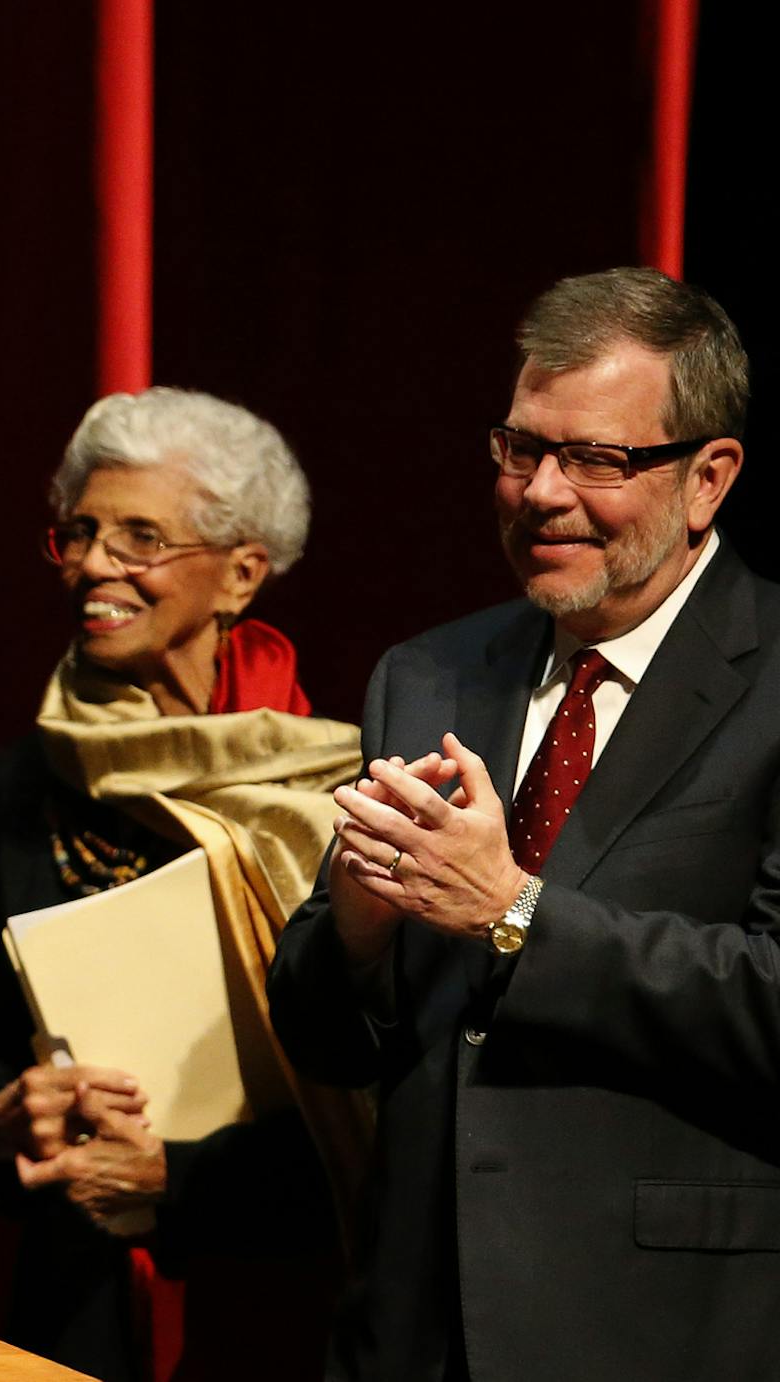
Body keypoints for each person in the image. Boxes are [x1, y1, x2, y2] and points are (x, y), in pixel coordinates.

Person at [269, 267, 775, 1381]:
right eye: (519, 448)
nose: (541, 492)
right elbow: (324, 1035)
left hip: (666, 1327)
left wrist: (513, 913)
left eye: (596, 459)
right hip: (412, 1323)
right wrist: (355, 925)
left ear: (708, 478)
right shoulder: (429, 674)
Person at [0, 388, 366, 1379]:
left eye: (140, 538)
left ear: (240, 574)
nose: (94, 564)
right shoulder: (25, 779)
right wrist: (10, 1116)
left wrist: (178, 1177)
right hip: (77, 1311)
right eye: (81, 533)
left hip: (286, 1306)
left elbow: (378, 1109)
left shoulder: (340, 789)